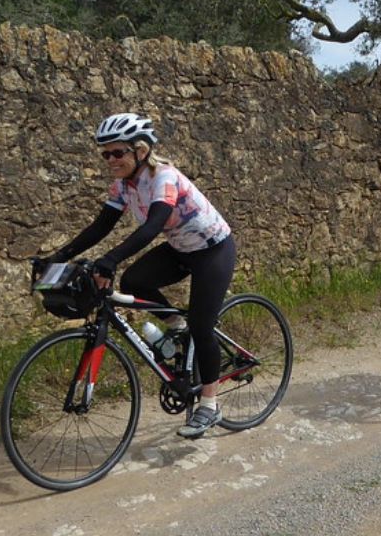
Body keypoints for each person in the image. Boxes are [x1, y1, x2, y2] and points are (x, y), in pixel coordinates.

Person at [39, 112, 235, 439]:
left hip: (213, 249)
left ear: (140, 150)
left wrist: (111, 259)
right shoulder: (123, 185)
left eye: (117, 152)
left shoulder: (164, 178)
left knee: (203, 326)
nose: (111, 160)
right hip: (181, 248)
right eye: (105, 154)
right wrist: (61, 255)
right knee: (134, 282)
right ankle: (177, 327)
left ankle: (209, 405)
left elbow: (153, 226)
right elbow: (102, 225)